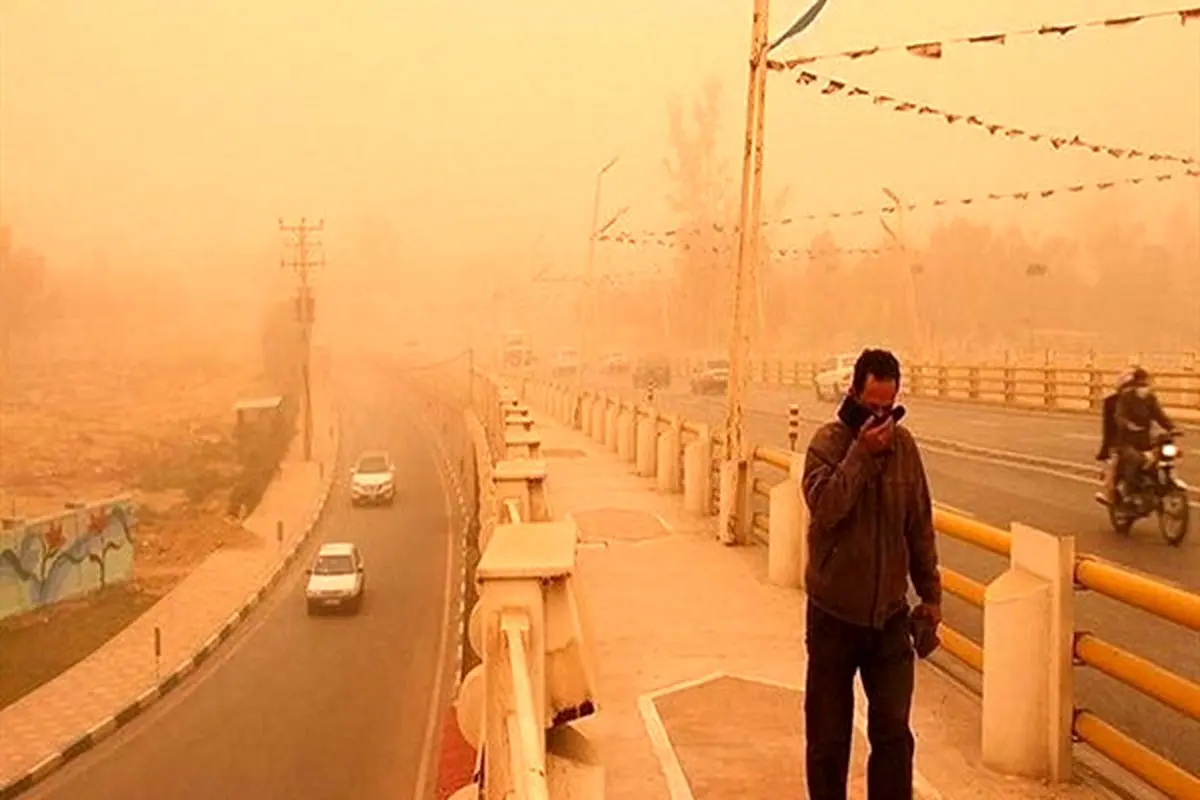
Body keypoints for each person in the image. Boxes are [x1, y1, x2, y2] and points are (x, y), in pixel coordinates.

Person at [801, 348, 942, 800]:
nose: (881, 417)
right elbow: (826, 510)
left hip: (889, 619)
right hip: (833, 618)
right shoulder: (826, 445)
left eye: (890, 407)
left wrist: (931, 598)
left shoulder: (906, 449)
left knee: (894, 735)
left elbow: (919, 527)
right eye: (872, 406)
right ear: (854, 393)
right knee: (828, 739)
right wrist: (861, 454)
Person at [1113, 367, 1176, 499]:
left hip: (1144, 440)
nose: (1144, 388)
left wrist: (1172, 428)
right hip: (1126, 442)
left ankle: (1154, 489)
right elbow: (1120, 416)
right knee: (1136, 460)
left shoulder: (1150, 399)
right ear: (1135, 385)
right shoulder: (1126, 398)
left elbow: (1159, 415)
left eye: (1146, 385)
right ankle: (1130, 492)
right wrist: (1128, 425)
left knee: (1159, 458)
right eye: (1141, 385)